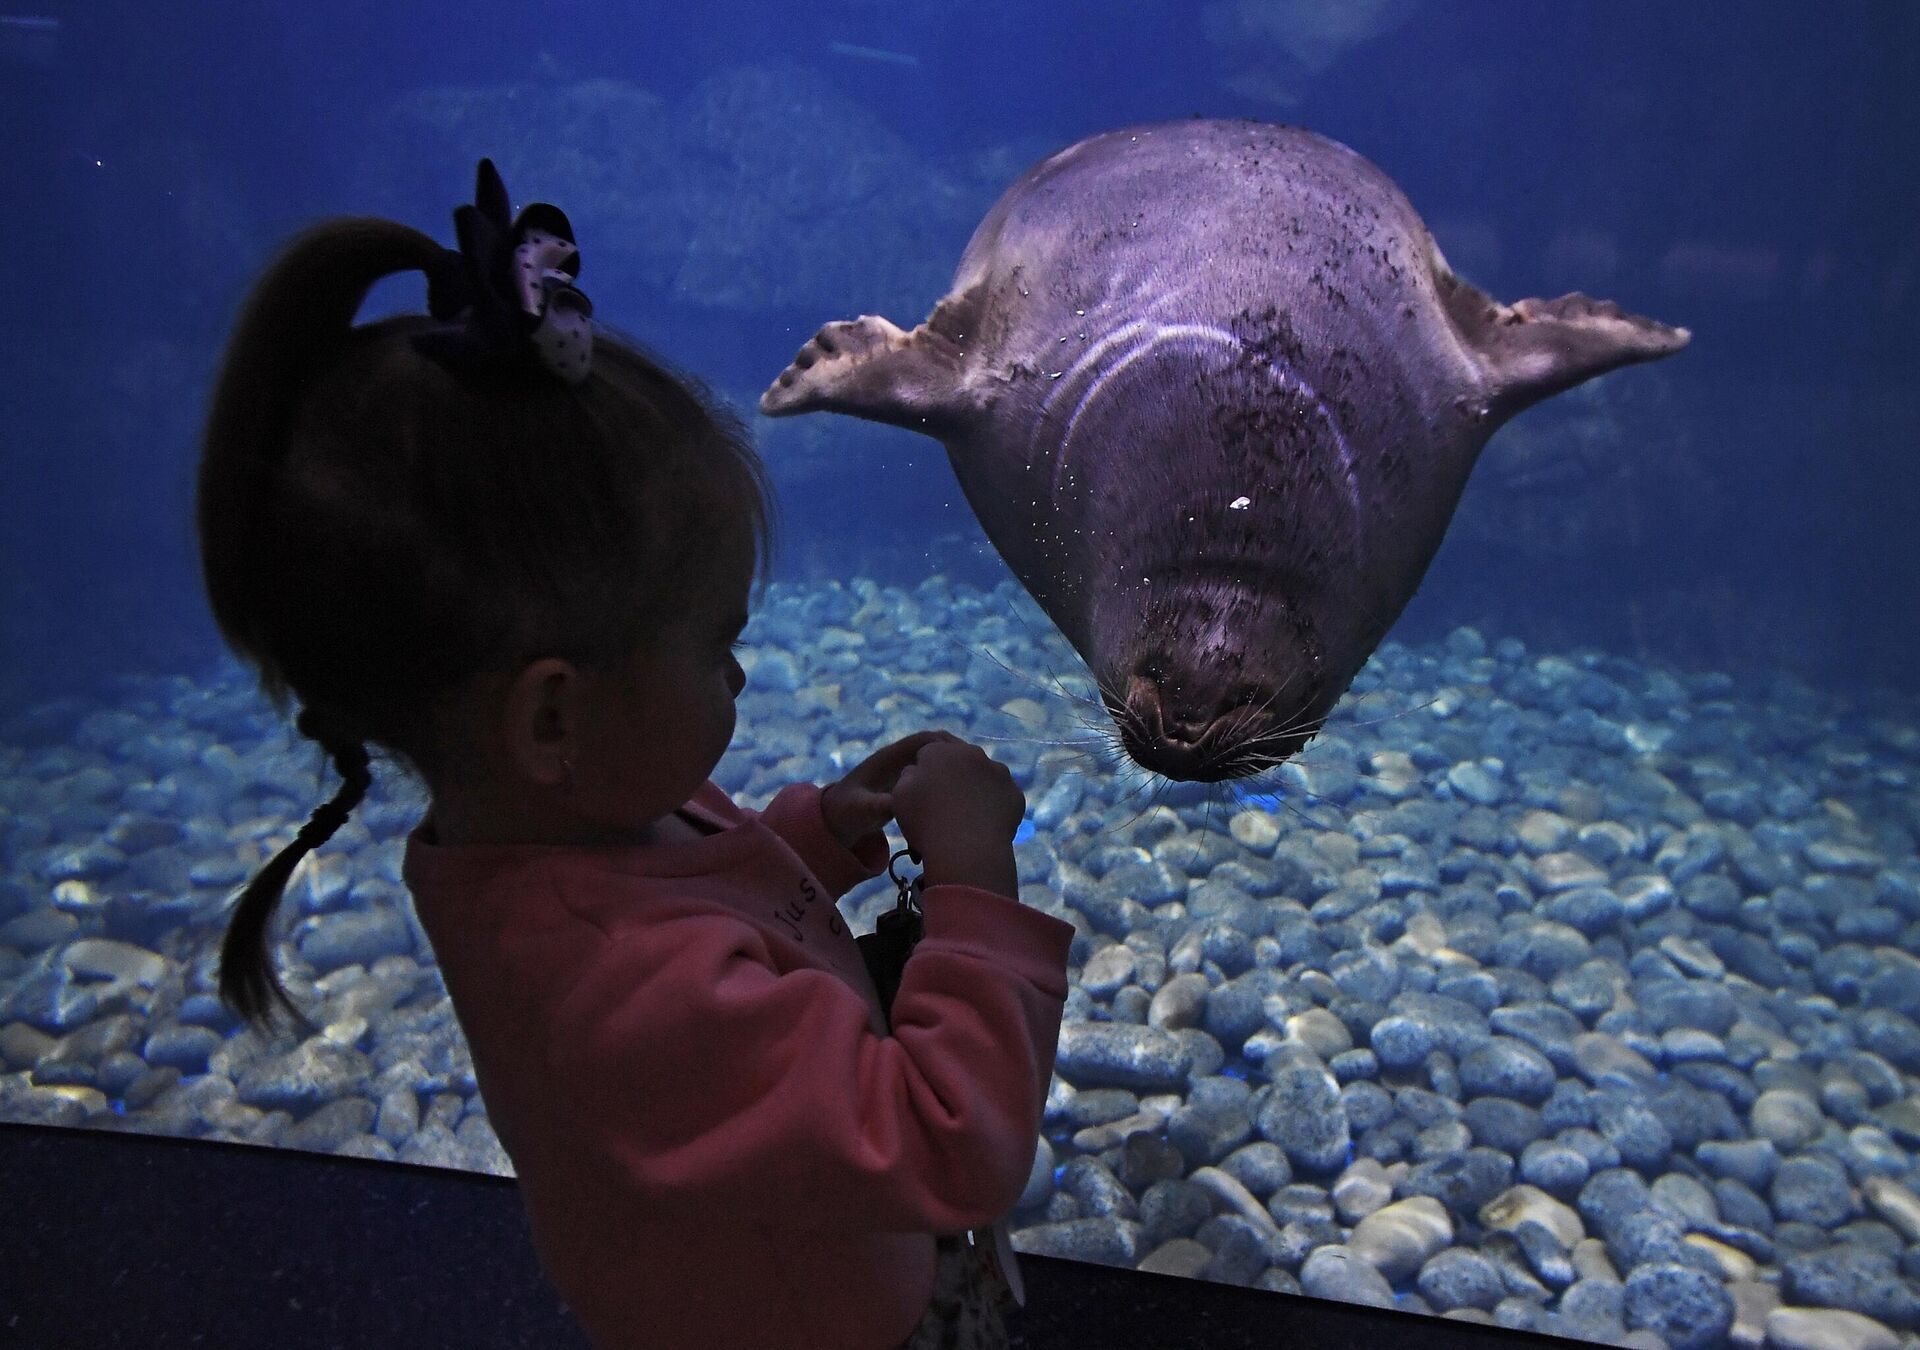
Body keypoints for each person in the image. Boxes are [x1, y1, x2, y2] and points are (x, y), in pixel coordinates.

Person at [194, 160, 1074, 1350]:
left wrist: (821, 834)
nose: (740, 679)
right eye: (718, 645)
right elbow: (947, 1145)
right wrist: (975, 891)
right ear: (553, 719)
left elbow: (694, 890)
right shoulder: (627, 993)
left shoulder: (556, 826)